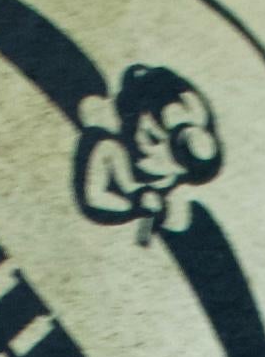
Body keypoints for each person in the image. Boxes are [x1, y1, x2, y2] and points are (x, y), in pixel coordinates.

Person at [73, 63, 223, 246]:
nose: (142, 138)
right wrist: (137, 200)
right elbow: (93, 197)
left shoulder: (170, 189)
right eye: (147, 131)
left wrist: (138, 203)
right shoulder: (112, 147)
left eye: (152, 138)